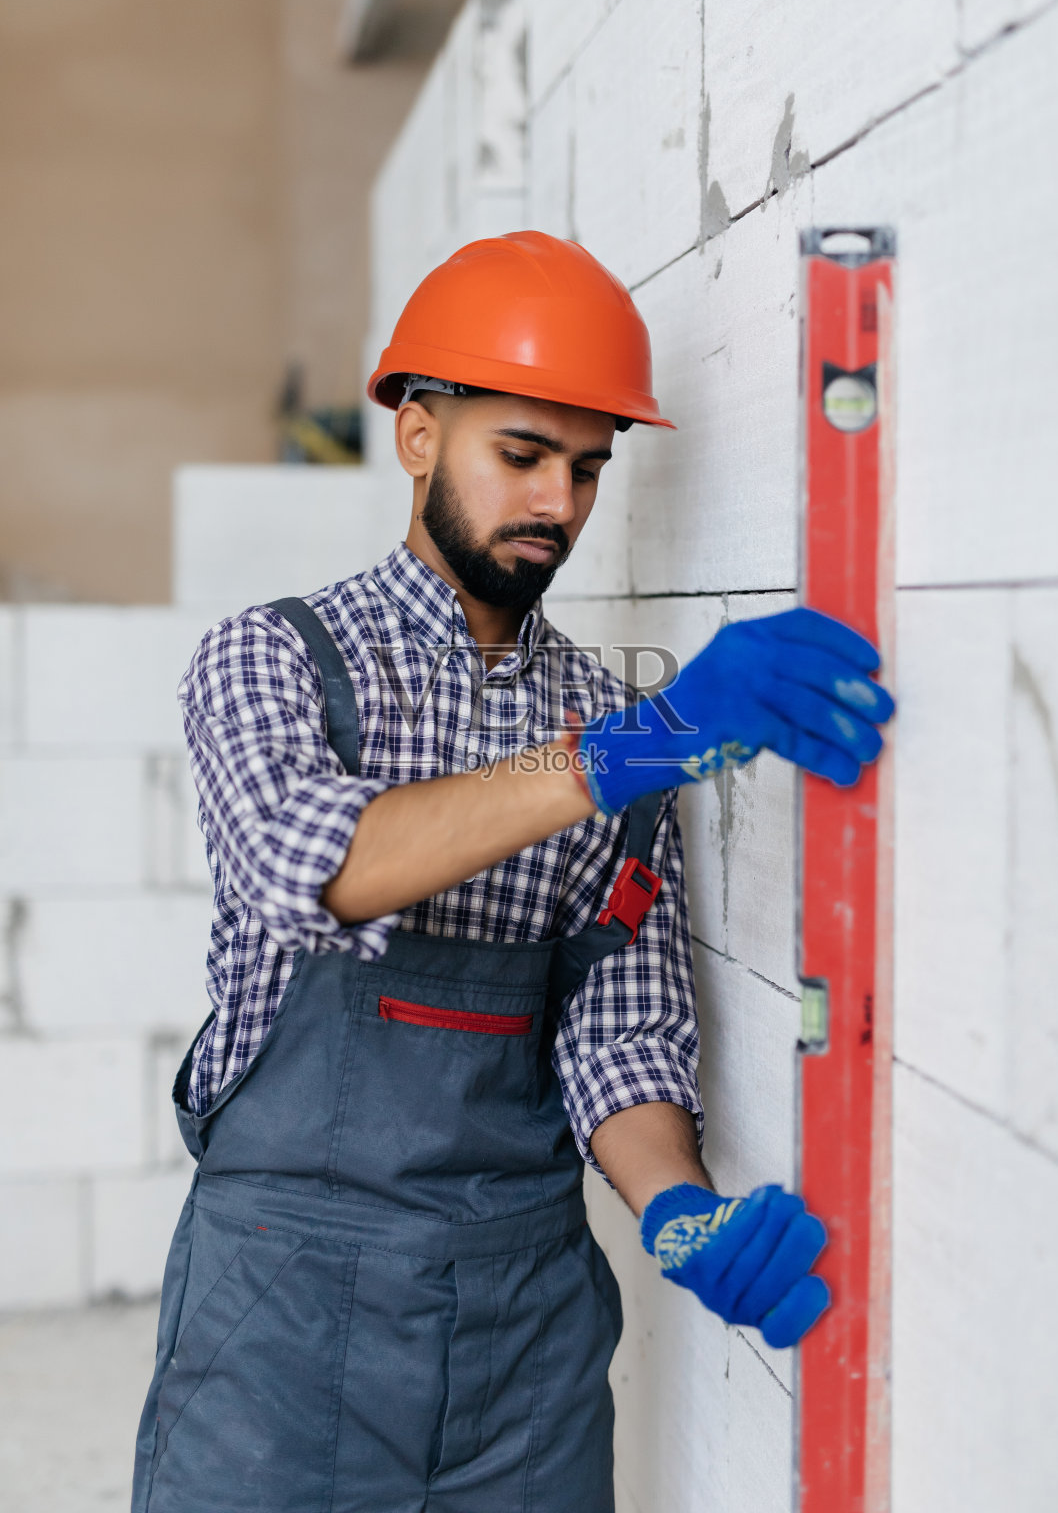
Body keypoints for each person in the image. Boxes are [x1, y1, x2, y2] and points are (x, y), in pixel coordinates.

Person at [132, 231, 894, 1513]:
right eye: (522, 455)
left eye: (587, 470)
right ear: (418, 435)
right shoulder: (275, 662)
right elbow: (320, 865)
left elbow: (616, 1036)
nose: (558, 503)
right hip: (277, 1328)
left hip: (523, 1350)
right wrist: (623, 752)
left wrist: (679, 1212)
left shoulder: (612, 724)